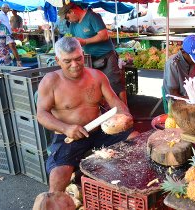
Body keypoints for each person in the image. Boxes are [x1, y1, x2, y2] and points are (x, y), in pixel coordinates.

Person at [37, 37, 138, 192]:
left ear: (83, 54)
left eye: (78, 58)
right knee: (58, 176)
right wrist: (66, 128)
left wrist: (125, 115)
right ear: (57, 60)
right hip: (70, 137)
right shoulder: (51, 81)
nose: (75, 65)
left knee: (135, 139)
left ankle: (132, 186)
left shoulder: (97, 76)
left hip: (100, 131)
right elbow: (41, 114)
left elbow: (114, 101)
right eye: (67, 61)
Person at [58, 3, 127, 105]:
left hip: (107, 55)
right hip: (90, 59)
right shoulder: (73, 25)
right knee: (97, 85)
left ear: (72, 11)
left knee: (115, 83)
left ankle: (125, 108)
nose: (68, 21)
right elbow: (73, 41)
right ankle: (108, 109)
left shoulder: (92, 17)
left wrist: (85, 42)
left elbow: (104, 35)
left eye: (67, 18)